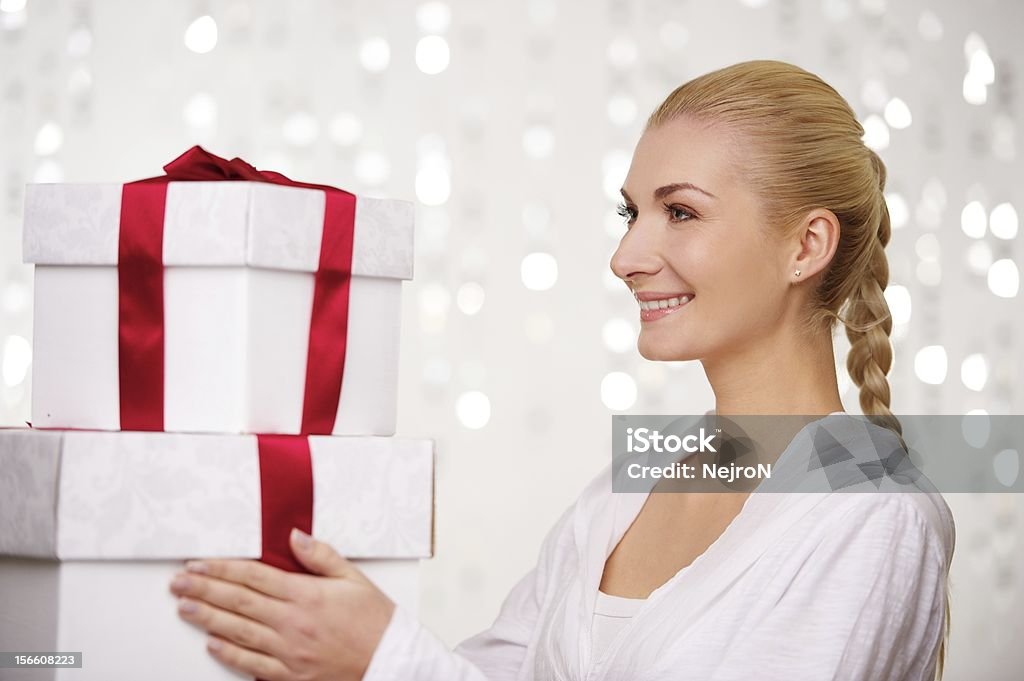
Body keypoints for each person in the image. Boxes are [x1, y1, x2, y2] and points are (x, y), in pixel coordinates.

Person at [168, 60, 955, 681]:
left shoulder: (872, 515)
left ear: (806, 246)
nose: (626, 258)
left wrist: (384, 660)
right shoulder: (624, 490)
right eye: (631, 212)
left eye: (679, 211)